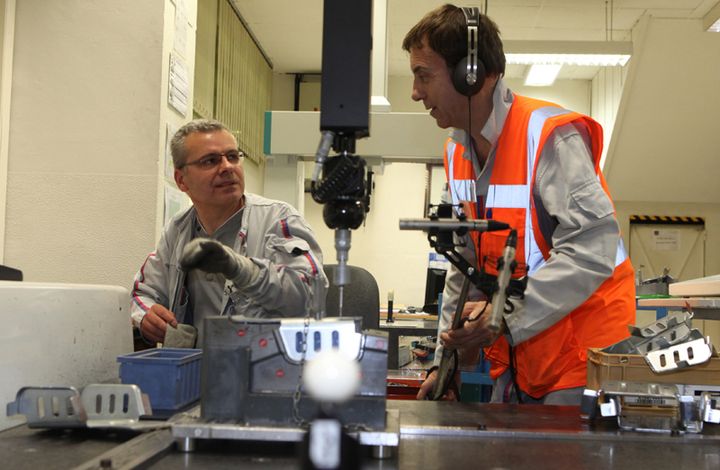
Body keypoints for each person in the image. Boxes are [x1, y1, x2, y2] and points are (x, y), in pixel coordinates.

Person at [404, 5, 635, 404]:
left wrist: (500, 317)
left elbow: (593, 250)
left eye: (424, 76)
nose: (415, 92)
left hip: (585, 356)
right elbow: (466, 264)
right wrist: (447, 364)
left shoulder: (548, 137)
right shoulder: (457, 153)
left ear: (470, 74)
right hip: (521, 354)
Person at [131, 119, 328, 346]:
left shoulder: (278, 219)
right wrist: (146, 315)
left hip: (264, 371)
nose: (227, 167)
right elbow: (141, 294)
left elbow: (312, 296)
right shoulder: (177, 230)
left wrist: (241, 269)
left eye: (233, 156)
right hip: (194, 370)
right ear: (181, 180)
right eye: (211, 161)